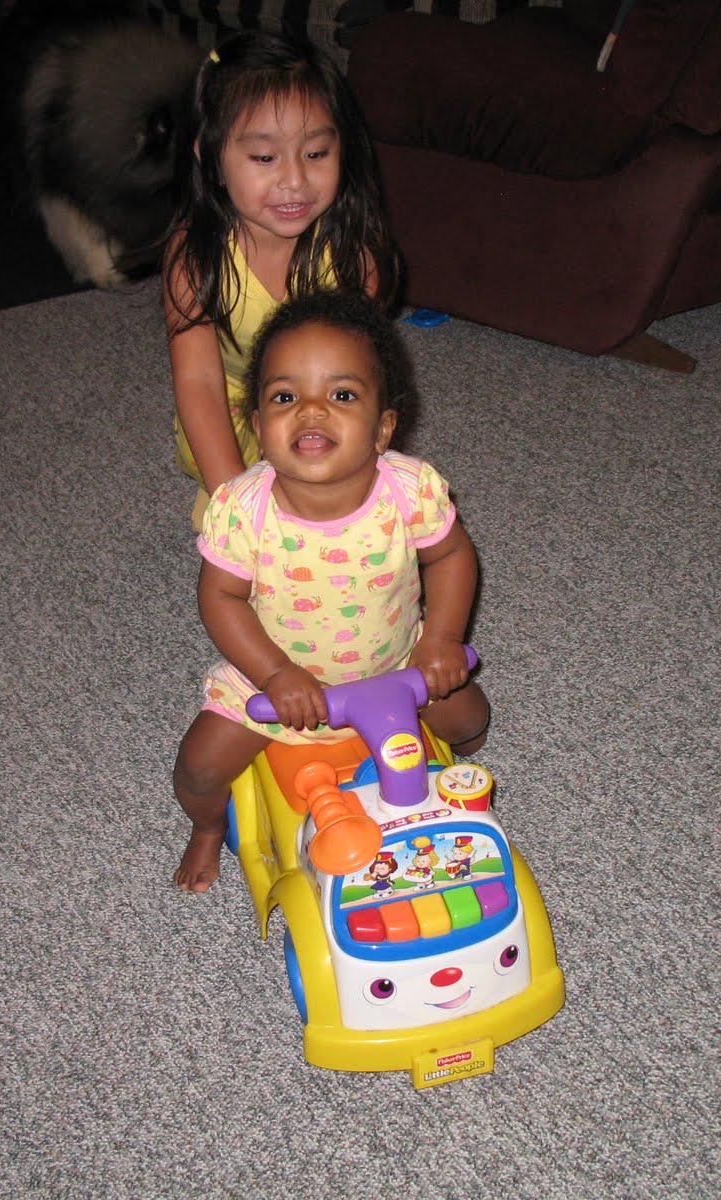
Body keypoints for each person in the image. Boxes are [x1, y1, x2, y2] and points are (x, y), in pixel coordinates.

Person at [172, 290, 488, 892]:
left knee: (471, 718)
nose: (311, 411)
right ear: (258, 426)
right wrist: (274, 673)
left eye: (342, 395)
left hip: (398, 665)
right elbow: (221, 598)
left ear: (383, 428)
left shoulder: (410, 490)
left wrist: (442, 639)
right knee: (200, 766)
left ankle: (454, 789)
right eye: (284, 397)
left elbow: (450, 555)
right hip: (274, 685)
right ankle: (208, 828)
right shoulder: (242, 510)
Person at [163, 31, 398, 528]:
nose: (294, 181)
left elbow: (363, 377)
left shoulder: (353, 256)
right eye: (264, 158)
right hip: (235, 413)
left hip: (323, 403)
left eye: (316, 153)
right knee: (229, 512)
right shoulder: (194, 256)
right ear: (212, 158)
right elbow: (199, 383)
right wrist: (237, 504)